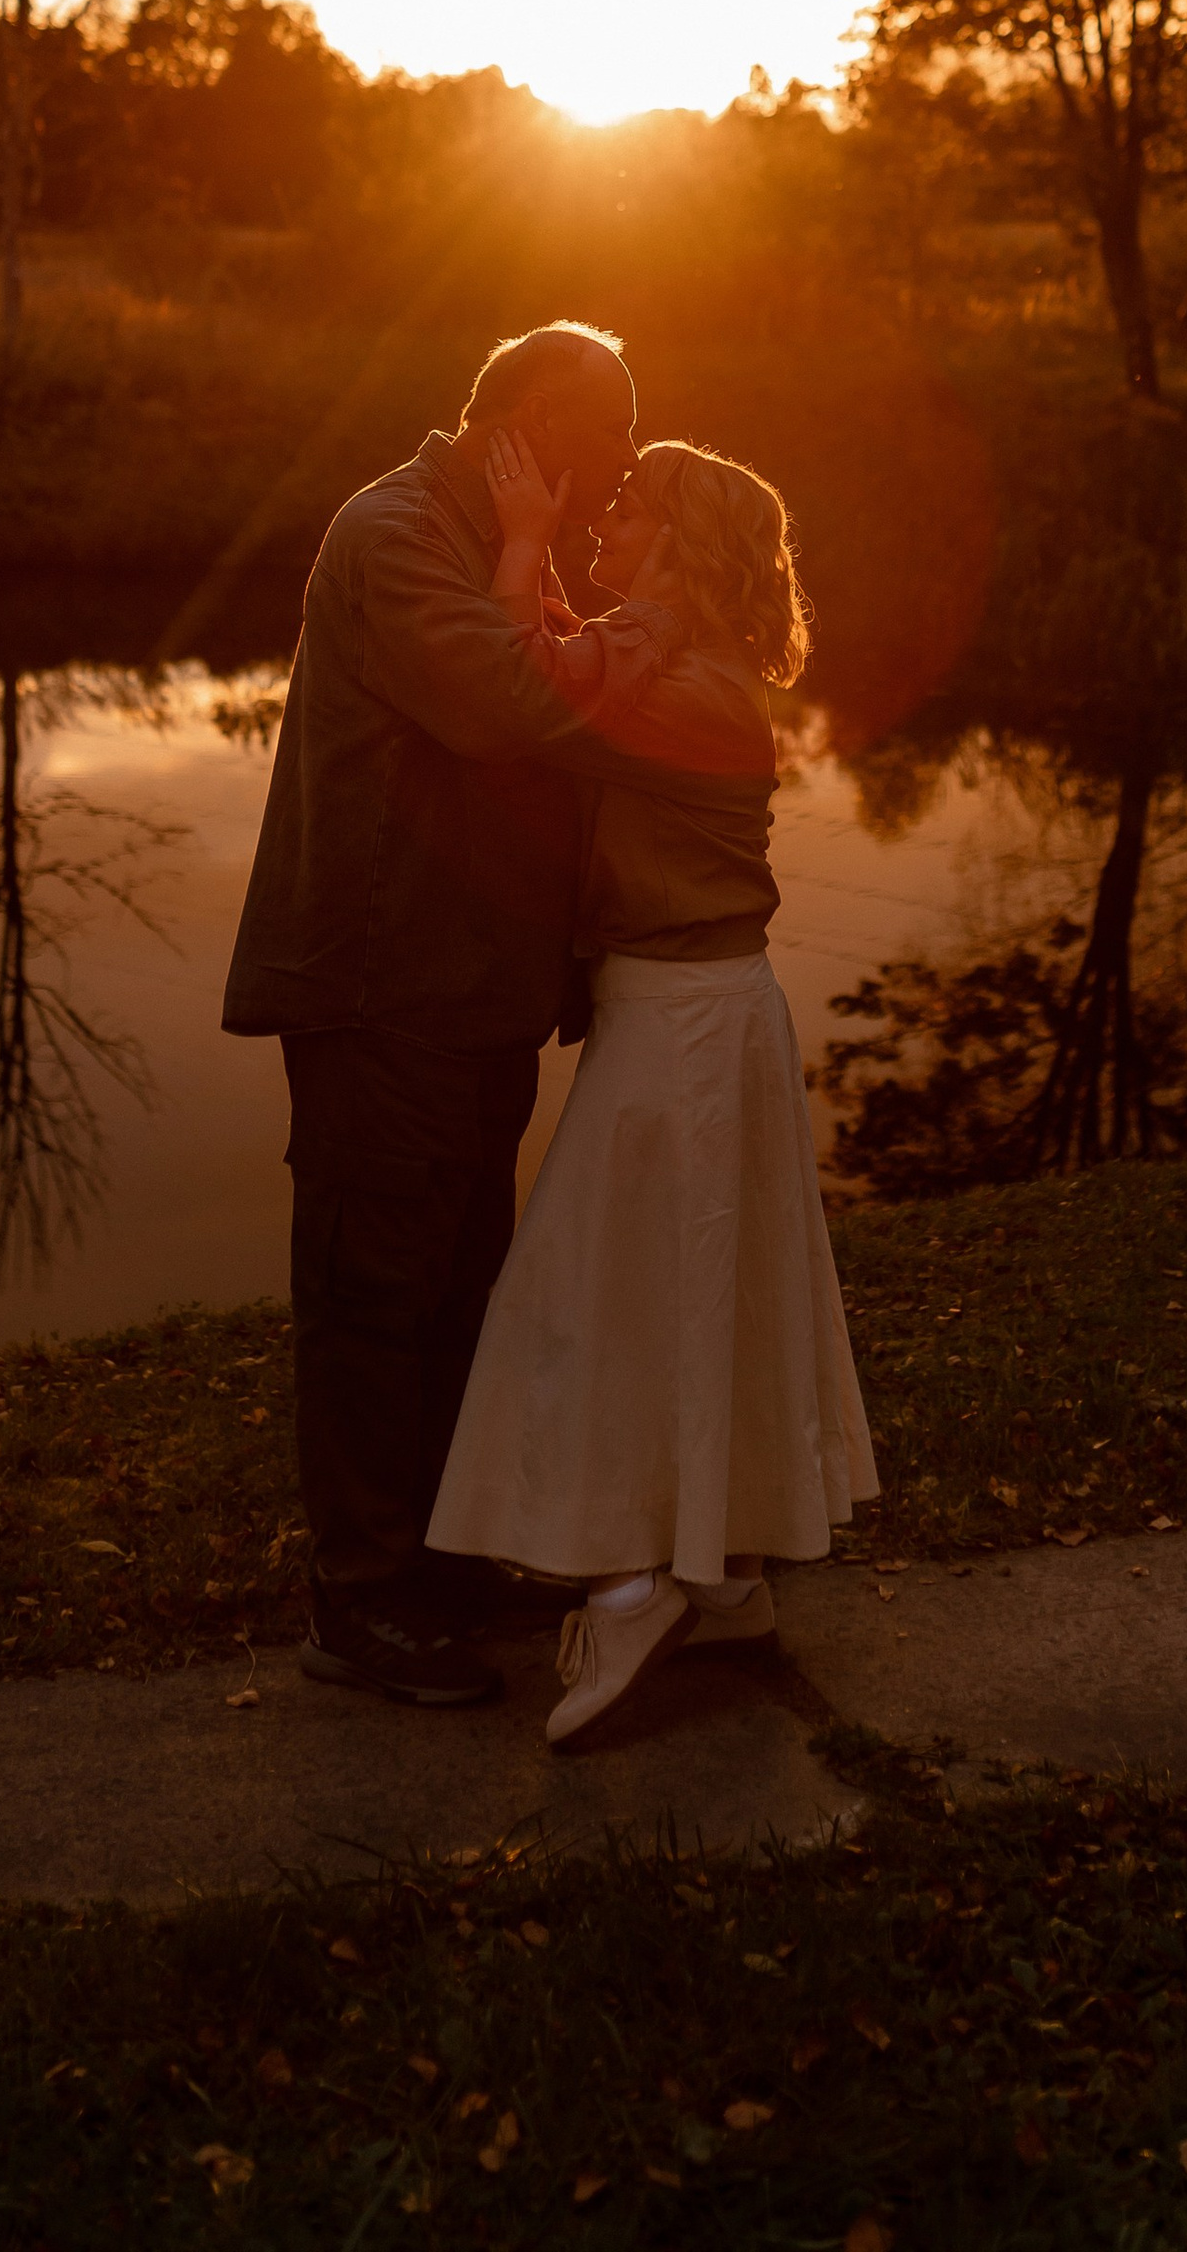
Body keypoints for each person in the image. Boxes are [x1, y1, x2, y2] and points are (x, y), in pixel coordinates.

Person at [221, 322, 770, 1710]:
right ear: (528, 420)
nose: (608, 482)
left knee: (461, 1280)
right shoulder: (401, 531)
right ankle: (361, 1599)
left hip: (475, 993)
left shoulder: (487, 536)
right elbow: (517, 708)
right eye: (602, 447)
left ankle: (439, 1556)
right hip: (380, 979)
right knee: (372, 1289)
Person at [427, 430, 878, 1749]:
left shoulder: (678, 681)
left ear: (683, 539)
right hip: (686, 1011)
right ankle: (722, 1573)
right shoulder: (675, 655)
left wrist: (517, 552)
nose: (600, 511)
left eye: (630, 503)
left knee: (597, 1295)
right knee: (686, 1286)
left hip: (682, 1022)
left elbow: (526, 697)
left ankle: (630, 1585)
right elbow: (585, 657)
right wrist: (559, 589)